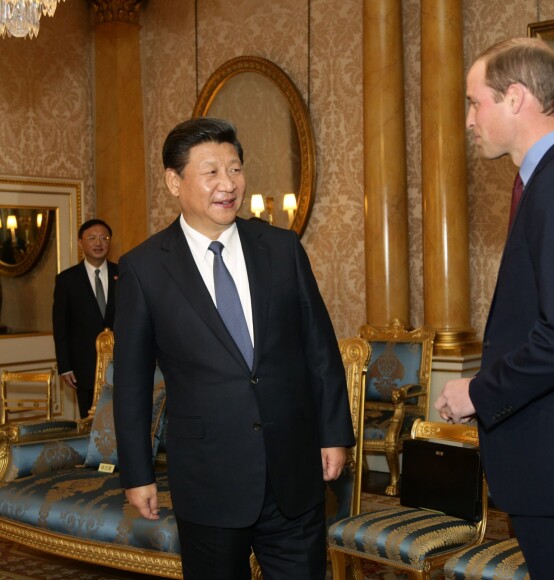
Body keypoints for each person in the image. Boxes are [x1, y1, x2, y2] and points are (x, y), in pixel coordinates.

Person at [113, 117, 354, 580]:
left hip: (293, 470)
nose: (228, 184)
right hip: (209, 478)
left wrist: (333, 432)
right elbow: (132, 384)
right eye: (211, 172)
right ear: (173, 181)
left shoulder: (281, 249)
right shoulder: (144, 269)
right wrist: (137, 473)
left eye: (235, 168)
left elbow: (319, 350)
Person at [435, 37, 554, 578]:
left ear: (515, 97)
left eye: (475, 102)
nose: (470, 120)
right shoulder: (553, 176)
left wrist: (477, 390)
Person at [52, 219, 117, 418]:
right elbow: (60, 326)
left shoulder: (123, 274)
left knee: (123, 419)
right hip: (85, 366)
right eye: (92, 238)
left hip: (121, 363)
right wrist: (65, 366)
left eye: (104, 238)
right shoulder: (67, 280)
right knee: (90, 421)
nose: (99, 243)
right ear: (81, 243)